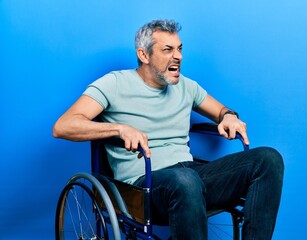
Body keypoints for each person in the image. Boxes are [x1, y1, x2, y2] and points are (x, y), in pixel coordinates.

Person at [53, 19, 284, 240]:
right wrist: (120, 129)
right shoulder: (114, 83)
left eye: (180, 49)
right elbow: (63, 126)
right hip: (144, 185)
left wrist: (229, 117)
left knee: (268, 159)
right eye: (168, 49)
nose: (178, 56)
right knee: (185, 180)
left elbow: (221, 111)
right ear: (144, 55)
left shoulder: (186, 86)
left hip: (191, 175)